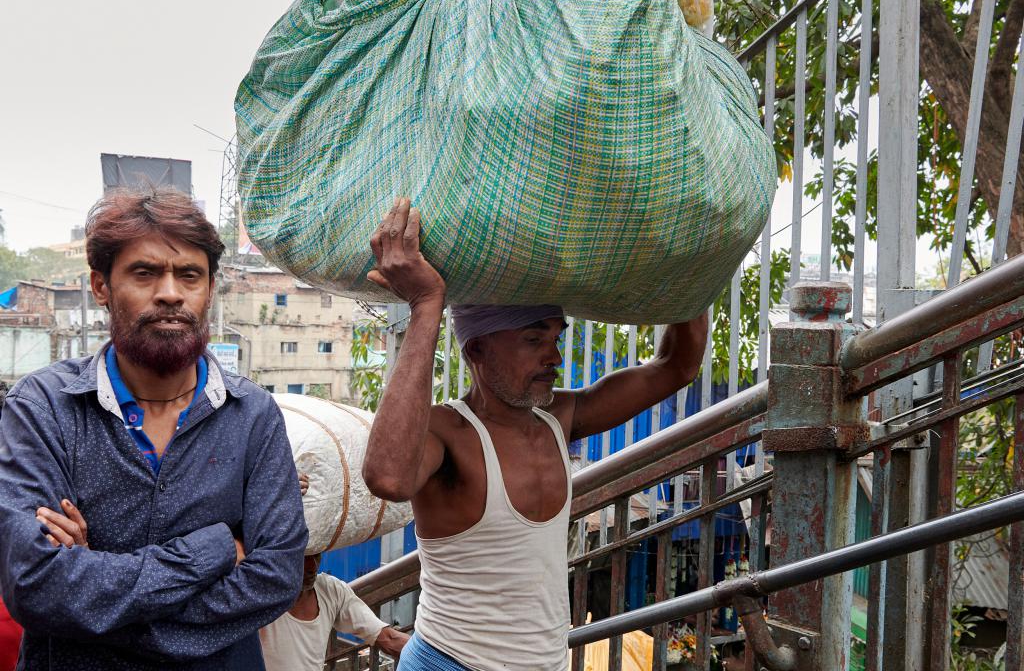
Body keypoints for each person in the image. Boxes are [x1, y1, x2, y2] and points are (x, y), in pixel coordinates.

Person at [362, 199, 708, 671]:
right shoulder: (451, 432)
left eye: (555, 339)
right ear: (477, 349)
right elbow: (387, 477)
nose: (554, 359)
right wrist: (426, 305)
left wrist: (697, 265)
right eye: (533, 340)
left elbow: (676, 367)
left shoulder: (558, 416)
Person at [0, 187, 307, 670]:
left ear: (208, 288)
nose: (170, 292)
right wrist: (215, 550)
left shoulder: (252, 415)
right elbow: (37, 587)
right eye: (144, 273)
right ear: (101, 286)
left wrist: (94, 598)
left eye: (189, 274)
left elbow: (276, 578)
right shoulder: (44, 407)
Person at [260, 475, 409, 670]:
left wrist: (437, 656)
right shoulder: (261, 590)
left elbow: (387, 638)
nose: (312, 567)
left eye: (316, 556)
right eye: (303, 558)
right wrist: (273, 496)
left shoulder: (330, 590)